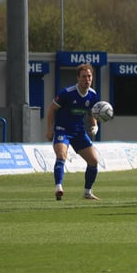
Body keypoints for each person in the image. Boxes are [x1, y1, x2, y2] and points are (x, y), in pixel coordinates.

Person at [45, 63, 101, 201]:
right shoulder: (67, 93)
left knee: (94, 161)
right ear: (78, 78)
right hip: (62, 130)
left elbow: (92, 113)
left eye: (89, 76)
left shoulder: (93, 95)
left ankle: (87, 192)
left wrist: (95, 125)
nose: (87, 79)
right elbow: (51, 109)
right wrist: (50, 129)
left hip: (79, 132)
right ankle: (58, 187)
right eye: (84, 77)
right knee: (61, 155)